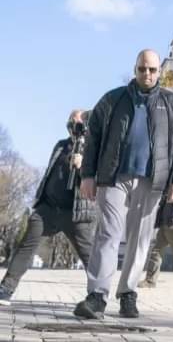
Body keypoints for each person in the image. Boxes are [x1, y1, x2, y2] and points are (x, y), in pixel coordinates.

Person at [74, 49, 173, 320]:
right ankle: (97, 297)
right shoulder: (113, 100)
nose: (147, 74)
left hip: (152, 181)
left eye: (152, 69)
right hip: (114, 178)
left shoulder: (172, 105)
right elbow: (93, 138)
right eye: (142, 69)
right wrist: (88, 175)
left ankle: (128, 294)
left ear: (159, 71)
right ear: (135, 69)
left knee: (140, 240)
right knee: (107, 235)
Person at [0, 110, 96, 305]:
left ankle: (98, 295)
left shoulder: (94, 149)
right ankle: (6, 289)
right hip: (48, 209)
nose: (74, 126)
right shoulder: (61, 146)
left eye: (79, 123)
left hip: (76, 212)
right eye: (72, 122)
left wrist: (83, 165)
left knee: (90, 256)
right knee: (26, 246)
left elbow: (98, 180)